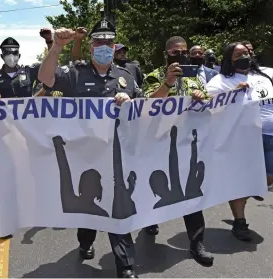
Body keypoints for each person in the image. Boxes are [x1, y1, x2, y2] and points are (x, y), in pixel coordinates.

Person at [38, 19, 141, 278]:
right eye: (98, 41)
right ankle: (85, 241)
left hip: (117, 153)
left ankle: (125, 265)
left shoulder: (126, 75)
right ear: (91, 45)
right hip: (84, 155)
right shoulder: (75, 72)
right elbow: (46, 78)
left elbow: (144, 109)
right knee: (89, 204)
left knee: (118, 206)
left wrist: (130, 101)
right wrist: (57, 47)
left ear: (114, 45)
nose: (104, 46)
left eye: (108, 42)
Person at [205, 42, 273, 242]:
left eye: (246, 53)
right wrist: (233, 92)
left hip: (269, 137)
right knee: (241, 182)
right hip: (241, 141)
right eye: (238, 55)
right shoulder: (221, 80)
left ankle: (249, 191)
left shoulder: (264, 75)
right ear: (229, 60)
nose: (244, 56)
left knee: (271, 175)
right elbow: (204, 102)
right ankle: (239, 222)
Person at [142, 36, 214, 267]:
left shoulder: (195, 78)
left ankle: (196, 242)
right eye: (174, 52)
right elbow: (145, 106)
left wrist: (201, 99)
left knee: (191, 193)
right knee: (154, 186)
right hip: (159, 143)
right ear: (166, 54)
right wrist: (168, 83)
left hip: (188, 144)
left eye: (183, 51)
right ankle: (149, 219)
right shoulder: (154, 76)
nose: (179, 55)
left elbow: (208, 104)